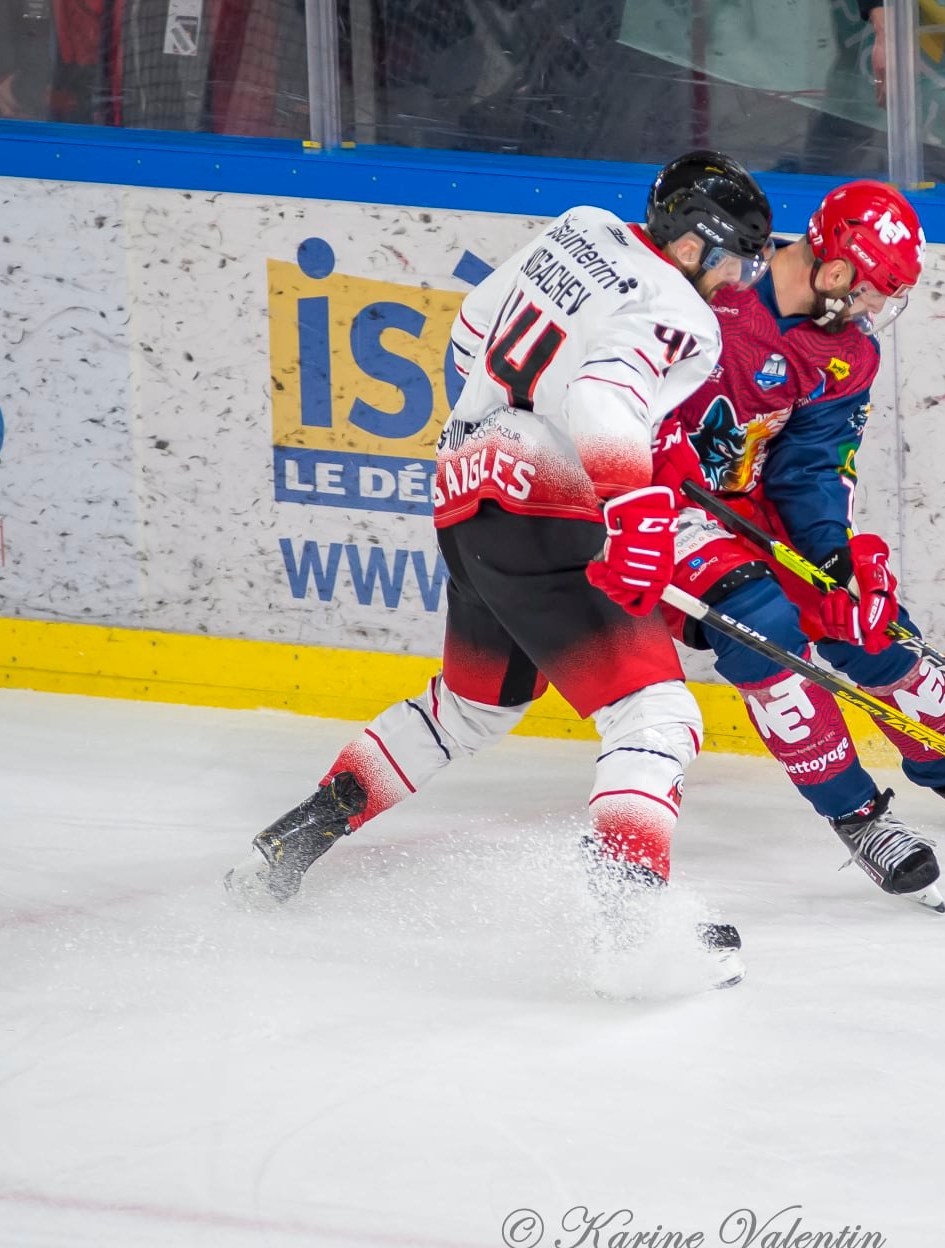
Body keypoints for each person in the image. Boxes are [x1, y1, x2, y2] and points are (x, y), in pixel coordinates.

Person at [225, 150, 775, 989]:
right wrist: (629, 509)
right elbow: (600, 399)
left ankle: (289, 845)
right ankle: (632, 931)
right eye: (730, 257)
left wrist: (508, 424)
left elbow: (477, 327)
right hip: (544, 509)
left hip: (464, 485)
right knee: (654, 718)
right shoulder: (682, 317)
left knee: (468, 710)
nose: (734, 281)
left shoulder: (582, 229)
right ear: (693, 244)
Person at [655, 179, 945, 912]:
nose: (877, 309)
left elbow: (809, 470)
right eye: (875, 290)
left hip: (748, 500)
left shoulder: (845, 352)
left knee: (869, 625)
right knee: (763, 629)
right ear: (837, 269)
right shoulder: (710, 284)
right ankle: (860, 819)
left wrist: (839, 561)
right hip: (654, 499)